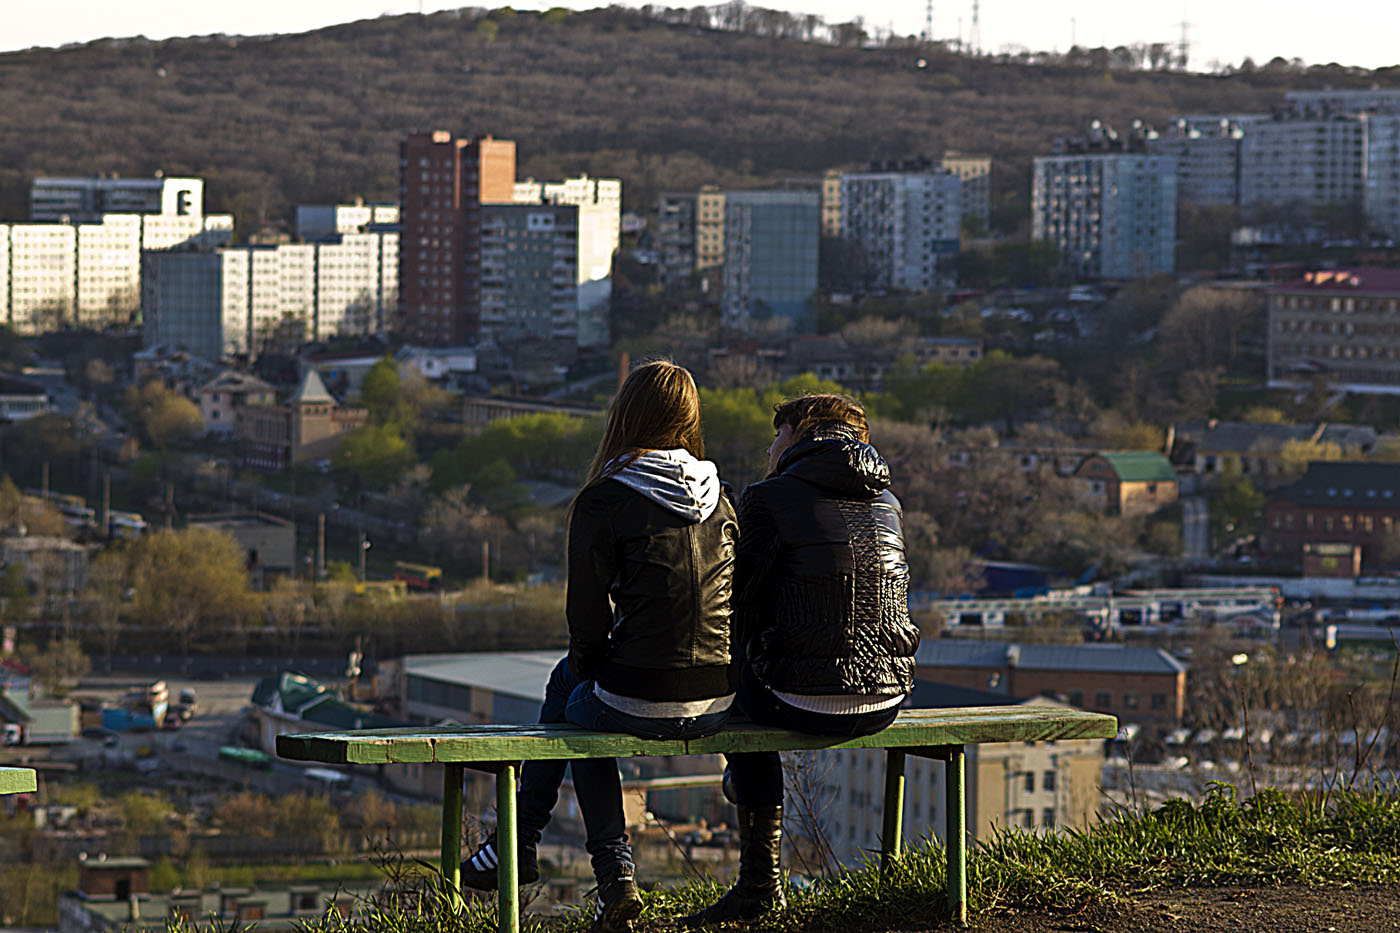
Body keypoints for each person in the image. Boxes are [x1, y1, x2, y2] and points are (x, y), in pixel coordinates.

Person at [459, 360, 739, 933]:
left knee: (572, 697)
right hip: (719, 697)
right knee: (578, 691)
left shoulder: (604, 499)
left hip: (639, 693)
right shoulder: (723, 499)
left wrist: (593, 670)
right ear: (690, 418)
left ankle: (581, 866)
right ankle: (527, 846)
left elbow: (585, 625)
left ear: (624, 417)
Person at [684, 393, 919, 926]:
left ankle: (759, 884)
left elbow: (737, 607)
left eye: (776, 433)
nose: (770, 446)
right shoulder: (890, 503)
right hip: (887, 697)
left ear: (797, 433)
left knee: (728, 682)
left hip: (800, 699)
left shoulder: (766, 498)